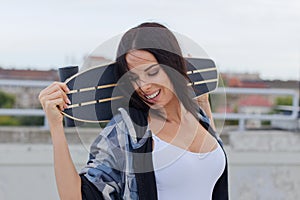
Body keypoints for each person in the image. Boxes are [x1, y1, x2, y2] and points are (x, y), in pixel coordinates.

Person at [39, 22, 228, 200]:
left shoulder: (197, 115)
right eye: (134, 78)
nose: (144, 86)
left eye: (152, 72)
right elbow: (78, 197)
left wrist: (201, 98)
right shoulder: (127, 130)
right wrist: (56, 126)